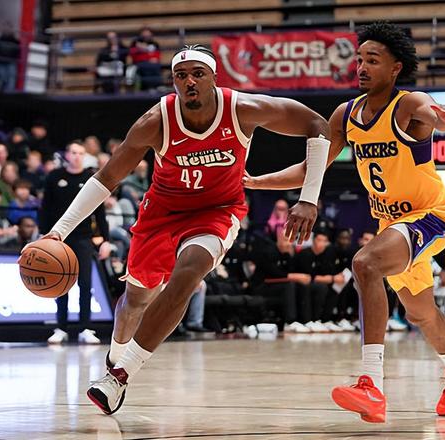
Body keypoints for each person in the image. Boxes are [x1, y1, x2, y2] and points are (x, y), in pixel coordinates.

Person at [28, 44, 329, 414]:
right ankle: (115, 360)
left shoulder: (243, 109)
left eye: (198, 74)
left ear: (214, 78)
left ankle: (119, 376)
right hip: (162, 214)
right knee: (135, 300)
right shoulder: (155, 121)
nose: (189, 82)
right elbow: (107, 178)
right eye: (181, 76)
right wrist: (58, 232)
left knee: (189, 273)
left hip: (217, 212)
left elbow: (317, 124)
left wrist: (309, 198)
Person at [244, 22, 445, 423]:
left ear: (395, 67)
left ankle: (371, 384)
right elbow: (311, 167)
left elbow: (436, 117)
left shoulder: (409, 104)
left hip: (431, 215)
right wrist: (256, 181)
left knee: (365, 263)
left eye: (372, 60)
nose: (361, 66)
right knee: (420, 312)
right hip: (393, 225)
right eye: (359, 59)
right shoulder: (346, 114)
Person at [39, 141, 111, 345]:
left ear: (84, 156)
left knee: (85, 284)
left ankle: (85, 328)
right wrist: (43, 233)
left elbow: (100, 212)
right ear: (67, 155)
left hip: (83, 238)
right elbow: (45, 208)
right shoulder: (54, 177)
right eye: (73, 152)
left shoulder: (90, 178)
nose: (77, 156)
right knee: (60, 283)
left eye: (80, 153)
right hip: (59, 238)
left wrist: (106, 240)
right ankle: (61, 327)